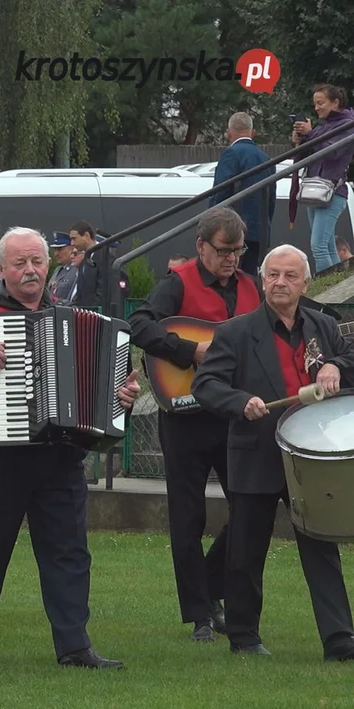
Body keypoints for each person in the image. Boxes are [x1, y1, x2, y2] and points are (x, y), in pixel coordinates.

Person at [0, 226, 141, 668]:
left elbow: (105, 386)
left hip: (59, 451)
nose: (30, 271)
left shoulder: (65, 312)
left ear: (50, 265)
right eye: (20, 263)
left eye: (37, 262)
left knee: (68, 549)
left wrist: (120, 395)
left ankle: (74, 645)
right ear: (2, 268)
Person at [191, 244, 354, 660]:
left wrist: (336, 363)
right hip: (256, 451)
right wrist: (240, 401)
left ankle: (339, 639)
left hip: (311, 458)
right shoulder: (235, 332)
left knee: (320, 546)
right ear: (263, 279)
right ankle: (244, 637)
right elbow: (205, 385)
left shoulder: (323, 324)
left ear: (306, 282)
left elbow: (349, 358)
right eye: (272, 275)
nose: (279, 283)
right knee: (246, 547)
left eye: (289, 276)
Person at [128, 208, 262, 641]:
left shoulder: (250, 287)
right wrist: (190, 352)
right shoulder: (177, 282)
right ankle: (200, 616)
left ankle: (210, 587)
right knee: (188, 517)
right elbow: (140, 325)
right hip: (185, 416)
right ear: (201, 246)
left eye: (237, 251)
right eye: (224, 251)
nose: (231, 259)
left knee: (248, 508)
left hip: (231, 416)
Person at [291, 84, 354, 273]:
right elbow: (309, 153)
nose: (317, 107)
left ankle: (326, 293)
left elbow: (333, 153)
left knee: (318, 246)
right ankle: (337, 286)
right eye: (315, 104)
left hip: (333, 192)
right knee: (326, 245)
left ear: (335, 102)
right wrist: (300, 140)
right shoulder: (323, 125)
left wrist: (310, 134)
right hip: (315, 189)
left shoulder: (347, 124)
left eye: (321, 103)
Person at [209, 112, 275, 274]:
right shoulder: (266, 158)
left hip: (232, 232)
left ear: (229, 133)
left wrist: (211, 223)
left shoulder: (231, 154)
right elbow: (271, 198)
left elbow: (220, 191)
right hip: (259, 232)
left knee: (229, 279)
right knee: (250, 281)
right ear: (252, 133)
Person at [47, 232, 79, 303]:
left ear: (72, 248)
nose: (56, 254)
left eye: (60, 249)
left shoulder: (76, 270)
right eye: (55, 250)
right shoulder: (58, 270)